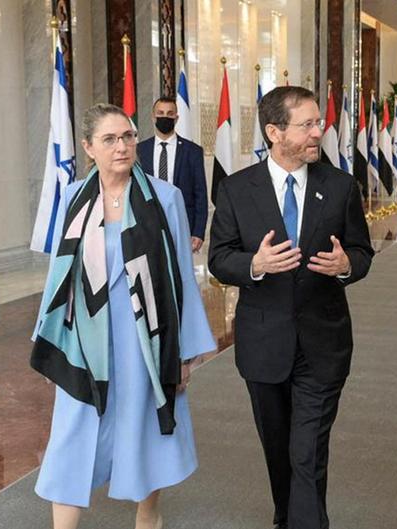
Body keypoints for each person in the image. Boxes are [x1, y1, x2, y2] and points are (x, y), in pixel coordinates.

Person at [31, 103, 215, 529]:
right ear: (88, 147)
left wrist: (183, 354)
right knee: (72, 430)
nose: (123, 146)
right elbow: (61, 272)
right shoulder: (75, 197)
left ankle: (148, 517)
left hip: (144, 340)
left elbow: (181, 280)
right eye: (111, 139)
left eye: (129, 136)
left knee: (144, 427)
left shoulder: (164, 198)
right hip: (84, 339)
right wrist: (48, 337)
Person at [208, 86, 374, 529]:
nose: (318, 132)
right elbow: (219, 259)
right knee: (279, 449)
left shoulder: (339, 186)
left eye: (318, 123)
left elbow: (362, 252)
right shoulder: (236, 189)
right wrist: (255, 264)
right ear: (274, 132)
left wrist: (345, 266)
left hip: (324, 343)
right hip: (263, 345)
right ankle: (287, 516)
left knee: (307, 453)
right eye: (307, 125)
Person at [137, 96, 208, 253]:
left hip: (182, 224)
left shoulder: (193, 151)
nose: (165, 117)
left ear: (176, 118)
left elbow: (200, 194)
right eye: (160, 113)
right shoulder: (140, 150)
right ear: (153, 117)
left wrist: (198, 232)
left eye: (170, 114)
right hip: (147, 225)